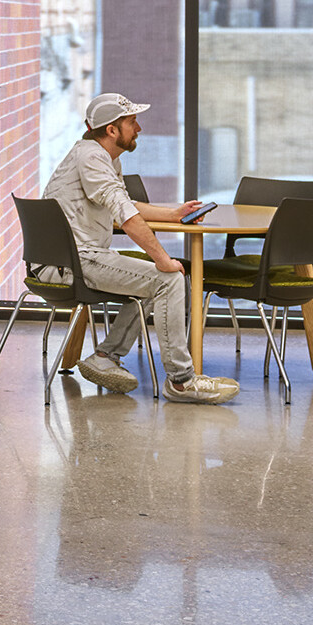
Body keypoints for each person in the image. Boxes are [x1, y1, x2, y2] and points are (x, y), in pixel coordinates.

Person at [46, 94, 241, 403]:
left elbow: (126, 203)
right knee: (168, 278)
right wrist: (163, 260)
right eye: (131, 122)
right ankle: (181, 382)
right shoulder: (91, 157)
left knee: (156, 279)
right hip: (72, 263)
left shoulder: (104, 157)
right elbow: (125, 214)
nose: (138, 128)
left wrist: (174, 214)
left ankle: (105, 357)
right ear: (112, 130)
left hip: (78, 257)